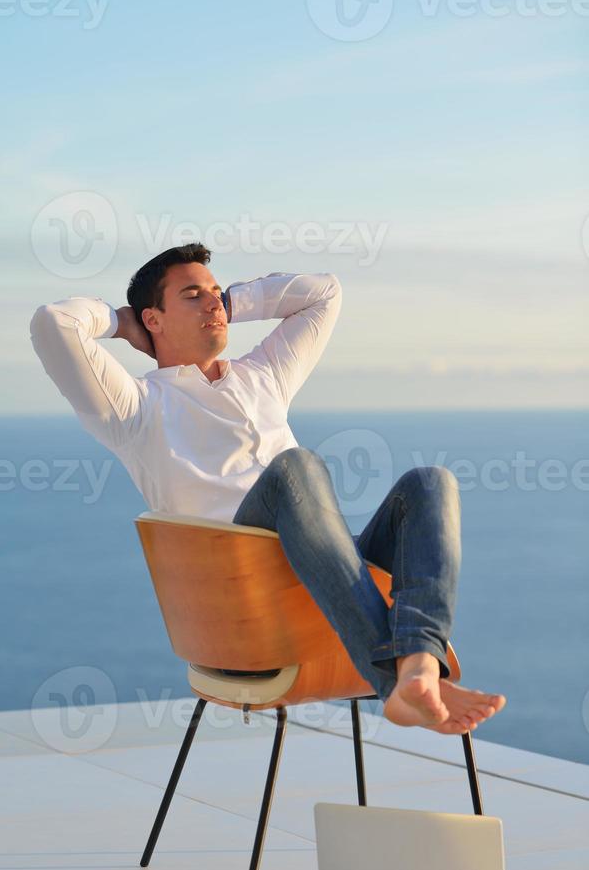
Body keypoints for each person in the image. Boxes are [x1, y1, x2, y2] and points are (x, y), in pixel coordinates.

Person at [30, 242, 506, 735]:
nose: (213, 304)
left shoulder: (263, 375)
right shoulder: (135, 408)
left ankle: (418, 669)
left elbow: (324, 293)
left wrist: (232, 303)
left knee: (430, 484)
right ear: (154, 319)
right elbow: (53, 323)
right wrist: (119, 320)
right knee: (294, 471)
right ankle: (392, 679)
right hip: (247, 611)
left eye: (216, 294)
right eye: (193, 296)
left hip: (326, 584)